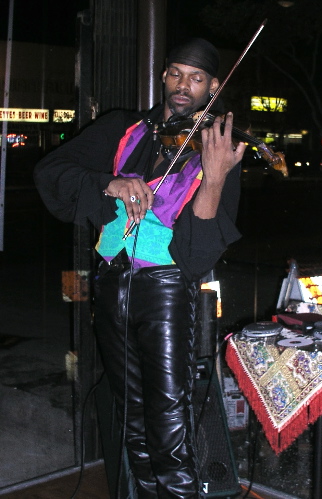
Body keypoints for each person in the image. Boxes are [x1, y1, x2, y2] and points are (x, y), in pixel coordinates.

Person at [34, 38, 246, 498]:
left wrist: (213, 178)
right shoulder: (125, 129)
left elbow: (195, 258)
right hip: (112, 284)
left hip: (168, 290)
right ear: (164, 76)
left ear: (212, 86)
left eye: (195, 78)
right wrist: (108, 182)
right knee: (131, 418)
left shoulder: (217, 146)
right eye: (175, 73)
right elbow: (52, 171)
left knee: (169, 423)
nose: (182, 86)